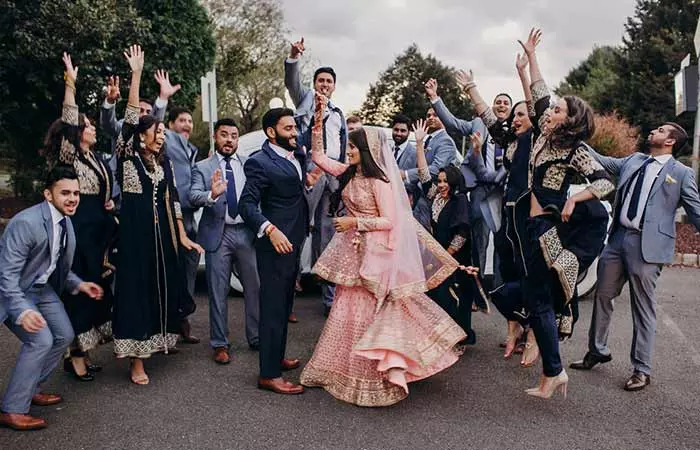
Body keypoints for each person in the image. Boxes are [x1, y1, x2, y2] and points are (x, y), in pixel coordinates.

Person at [299, 93, 468, 407]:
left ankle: (376, 374)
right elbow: (319, 156)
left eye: (352, 147)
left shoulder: (379, 181)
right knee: (343, 308)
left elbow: (390, 221)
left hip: (376, 254)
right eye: (348, 146)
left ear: (366, 151)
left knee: (368, 314)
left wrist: (354, 223)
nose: (348, 151)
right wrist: (319, 117)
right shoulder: (348, 172)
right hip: (351, 253)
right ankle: (337, 369)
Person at [487, 28, 613, 398]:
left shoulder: (574, 149)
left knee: (537, 298)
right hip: (525, 227)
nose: (550, 110)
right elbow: (540, 90)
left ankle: (551, 372)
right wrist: (532, 56)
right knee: (518, 294)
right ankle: (551, 367)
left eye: (558, 109)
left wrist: (577, 198)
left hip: (545, 232)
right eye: (553, 106)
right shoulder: (543, 130)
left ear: (569, 120)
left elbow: (606, 182)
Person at [570, 122, 700, 391]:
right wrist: (574, 138)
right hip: (617, 240)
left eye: (661, 130)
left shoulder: (682, 173)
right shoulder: (634, 160)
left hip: (648, 246)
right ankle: (597, 350)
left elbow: (696, 211)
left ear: (671, 142)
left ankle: (642, 369)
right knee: (603, 296)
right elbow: (601, 160)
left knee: (643, 308)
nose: (653, 131)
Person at [111, 45, 203, 385]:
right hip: (135, 238)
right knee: (135, 292)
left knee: (157, 289)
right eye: (157, 132)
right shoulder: (127, 157)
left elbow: (174, 199)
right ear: (142, 136)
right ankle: (136, 362)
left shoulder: (162, 165)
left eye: (163, 134)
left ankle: (155, 343)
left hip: (162, 237)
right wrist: (136, 75)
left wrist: (181, 235)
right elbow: (132, 118)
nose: (161, 136)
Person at [0, 161, 103, 431]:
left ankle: (30, 388)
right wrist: (22, 310)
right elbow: (6, 277)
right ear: (48, 195)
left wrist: (80, 285)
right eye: (65, 193)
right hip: (14, 292)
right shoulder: (26, 224)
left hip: (41, 289)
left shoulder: (66, 223)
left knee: (64, 335)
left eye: (76, 193)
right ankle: (12, 408)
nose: (72, 199)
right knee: (41, 341)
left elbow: (54, 265)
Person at [43, 52, 117, 381]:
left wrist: (108, 203)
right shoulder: (71, 156)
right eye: (89, 127)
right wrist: (70, 82)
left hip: (97, 235)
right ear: (78, 133)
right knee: (78, 292)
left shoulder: (96, 157)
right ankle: (74, 357)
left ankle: (82, 351)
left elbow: (103, 188)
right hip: (79, 232)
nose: (93, 130)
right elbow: (70, 119)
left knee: (97, 292)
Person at [462, 53, 539, 365]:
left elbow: (536, 104)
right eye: (515, 115)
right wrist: (471, 89)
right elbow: (487, 116)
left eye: (522, 113)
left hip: (531, 216)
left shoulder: (538, 140)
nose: (517, 117)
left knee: (530, 275)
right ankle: (514, 328)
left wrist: (524, 71)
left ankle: (533, 332)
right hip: (510, 214)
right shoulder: (509, 141)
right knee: (506, 273)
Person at [239, 108, 311, 395]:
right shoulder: (259, 162)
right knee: (272, 307)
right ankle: (268, 375)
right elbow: (246, 205)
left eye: (295, 128)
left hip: (294, 242)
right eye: (288, 129)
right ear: (271, 132)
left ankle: (276, 357)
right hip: (275, 245)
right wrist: (270, 229)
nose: (295, 133)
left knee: (284, 305)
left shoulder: (296, 155)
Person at [425, 78, 509, 296]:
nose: (501, 105)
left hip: (504, 192)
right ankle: (476, 287)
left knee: (503, 240)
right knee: (477, 239)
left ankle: (502, 287)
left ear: (510, 109)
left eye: (505, 103)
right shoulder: (479, 123)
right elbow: (452, 123)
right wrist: (435, 98)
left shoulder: (513, 133)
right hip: (480, 189)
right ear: (492, 106)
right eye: (498, 102)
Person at [190, 118, 261, 364]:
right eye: (224, 135)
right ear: (215, 138)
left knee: (254, 288)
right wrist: (212, 194)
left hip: (246, 233)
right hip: (218, 235)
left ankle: (257, 337)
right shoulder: (202, 167)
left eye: (233, 135)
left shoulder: (247, 164)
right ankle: (220, 344)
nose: (229, 139)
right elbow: (193, 195)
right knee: (218, 292)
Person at [285, 37, 346, 317]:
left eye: (328, 82)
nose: (324, 85)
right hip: (310, 169)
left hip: (333, 175)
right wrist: (294, 57)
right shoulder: (306, 99)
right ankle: (288, 291)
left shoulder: (338, 113)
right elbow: (292, 83)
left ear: (334, 86)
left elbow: (342, 145)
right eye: (320, 80)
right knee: (298, 229)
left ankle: (329, 299)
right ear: (315, 84)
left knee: (328, 235)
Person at [162, 100, 202, 344]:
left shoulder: (193, 149)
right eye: (181, 120)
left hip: (190, 219)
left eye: (189, 120)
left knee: (189, 272)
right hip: (170, 216)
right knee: (171, 272)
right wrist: (162, 99)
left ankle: (184, 320)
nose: (187, 124)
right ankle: (169, 328)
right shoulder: (166, 141)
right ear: (170, 125)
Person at [402, 107, 456, 184]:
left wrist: (406, 174)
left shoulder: (446, 141)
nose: (431, 118)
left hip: (435, 191)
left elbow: (436, 170)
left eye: (435, 115)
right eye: (428, 115)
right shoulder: (430, 139)